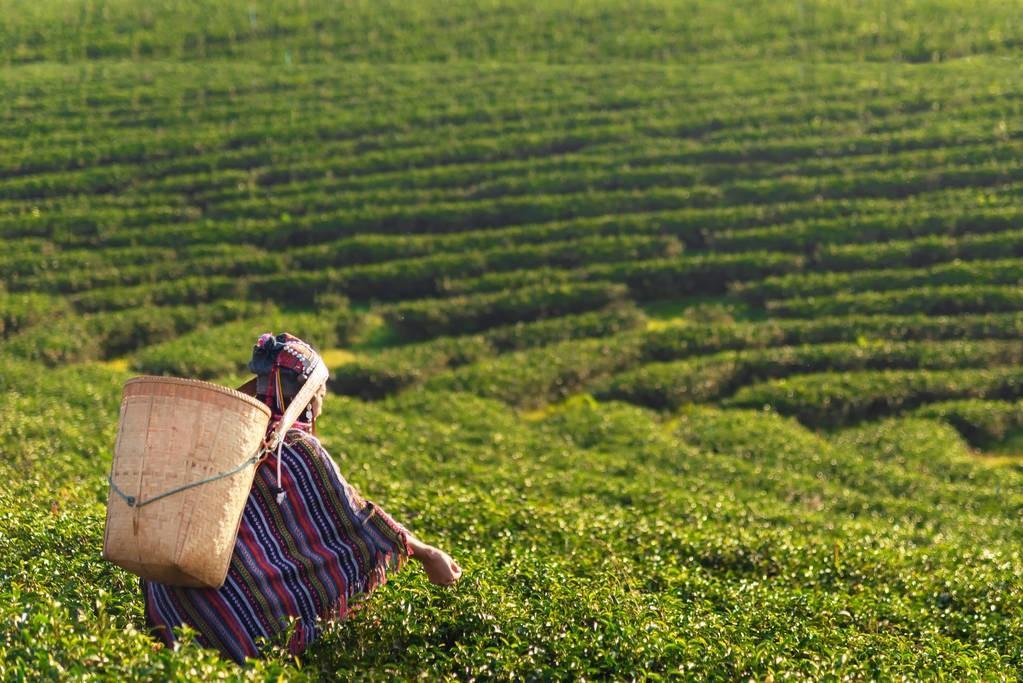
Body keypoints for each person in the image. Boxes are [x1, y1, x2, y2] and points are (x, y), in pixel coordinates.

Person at [140, 331, 461, 663]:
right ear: (306, 398)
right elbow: (355, 520)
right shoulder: (296, 449)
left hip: (172, 599)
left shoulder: (221, 439)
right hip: (229, 605)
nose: (321, 402)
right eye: (320, 393)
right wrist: (425, 552)